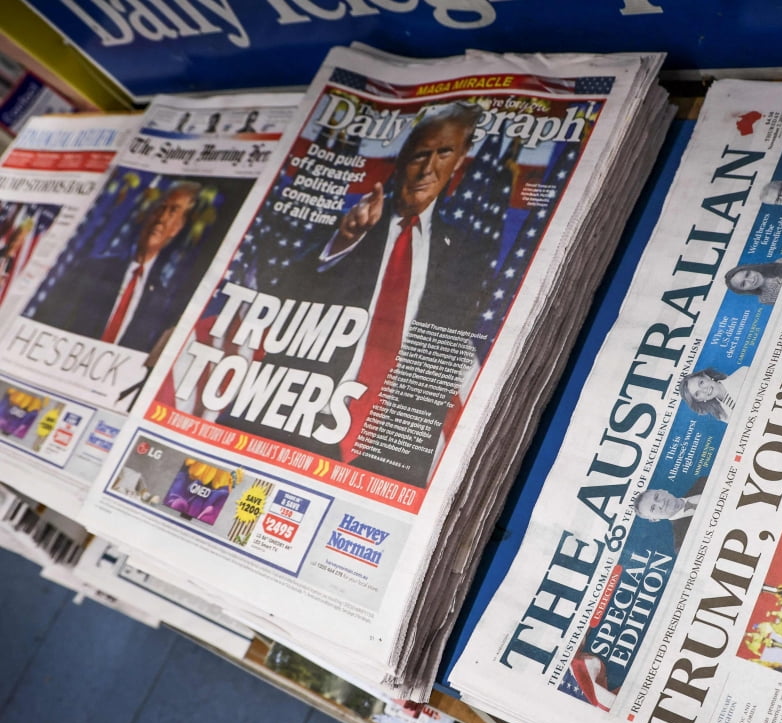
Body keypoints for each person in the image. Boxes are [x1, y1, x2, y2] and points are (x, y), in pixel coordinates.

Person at [255, 101, 494, 485]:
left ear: (459, 162)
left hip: (391, 436)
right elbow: (282, 290)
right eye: (420, 154)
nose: (428, 167)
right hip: (305, 411)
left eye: (443, 153)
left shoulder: (465, 250)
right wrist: (345, 238)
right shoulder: (356, 224)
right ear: (402, 162)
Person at [26, 181, 202, 352]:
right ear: (147, 215)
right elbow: (47, 318)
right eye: (160, 208)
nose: (162, 218)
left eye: (173, 211)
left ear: (177, 228)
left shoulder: (161, 299)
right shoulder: (90, 269)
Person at [632, 475, 707, 551]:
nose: (661, 503)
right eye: (653, 508)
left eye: (657, 497)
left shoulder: (703, 481)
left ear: (663, 491)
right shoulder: (682, 543)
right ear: (655, 519)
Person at [679, 365, 748, 421]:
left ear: (706, 376)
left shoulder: (743, 373)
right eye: (697, 393)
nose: (704, 390)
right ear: (699, 400)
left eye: (701, 383)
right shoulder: (722, 415)